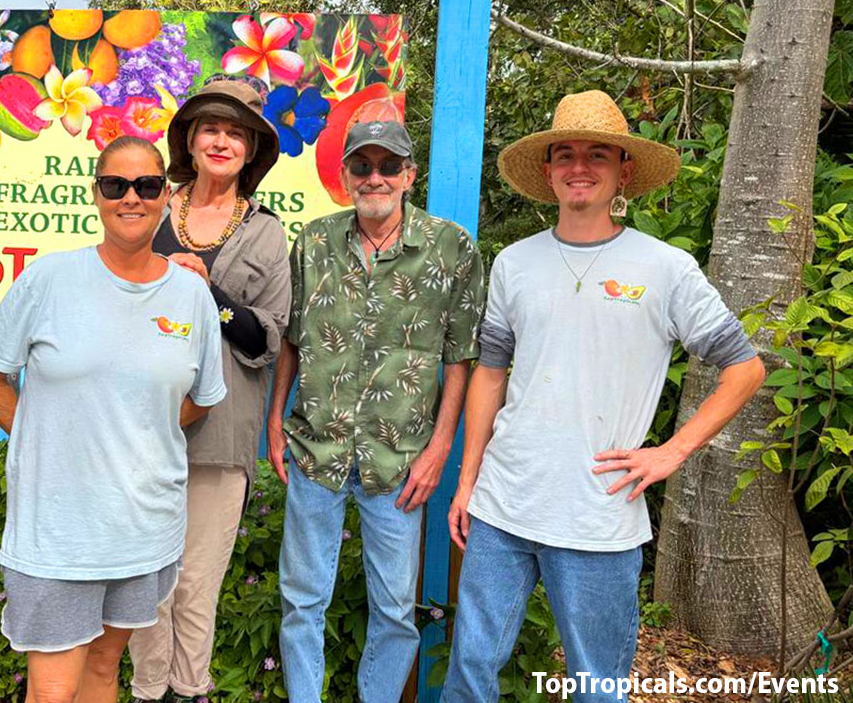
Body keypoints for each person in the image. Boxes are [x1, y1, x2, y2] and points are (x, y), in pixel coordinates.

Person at [441, 90, 767, 703]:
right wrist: (468, 482)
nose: (578, 165)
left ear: (625, 169)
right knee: (470, 673)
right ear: (547, 171)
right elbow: (490, 373)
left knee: (598, 684)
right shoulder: (513, 263)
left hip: (599, 513)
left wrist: (670, 453)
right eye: (564, 153)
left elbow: (744, 369)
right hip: (502, 507)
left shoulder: (665, 267)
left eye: (597, 153)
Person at [0, 136, 226, 703]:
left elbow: (202, 397)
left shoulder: (191, 297)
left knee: (106, 669)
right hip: (58, 529)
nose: (131, 197)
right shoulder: (48, 280)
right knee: (54, 691)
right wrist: (41, 438)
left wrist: (138, 435)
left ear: (164, 196)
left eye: (147, 185)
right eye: (116, 185)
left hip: (144, 527)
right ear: (97, 194)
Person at [266, 120, 486, 703]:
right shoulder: (312, 242)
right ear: (344, 177)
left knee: (394, 611)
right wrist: (274, 419)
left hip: (401, 462)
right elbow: (292, 339)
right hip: (317, 450)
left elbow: (460, 358)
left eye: (389, 166)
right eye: (362, 166)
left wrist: (440, 450)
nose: (376, 178)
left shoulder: (452, 248)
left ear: (410, 175)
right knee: (301, 602)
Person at [127, 76, 290, 702]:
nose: (222, 141)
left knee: (196, 583)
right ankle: (148, 692)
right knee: (147, 578)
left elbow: (265, 341)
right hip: (141, 430)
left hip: (220, 436)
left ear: (251, 150)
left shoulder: (266, 232)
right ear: (189, 140)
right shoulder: (146, 209)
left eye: (236, 133)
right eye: (210, 128)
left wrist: (209, 294)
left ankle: (190, 691)